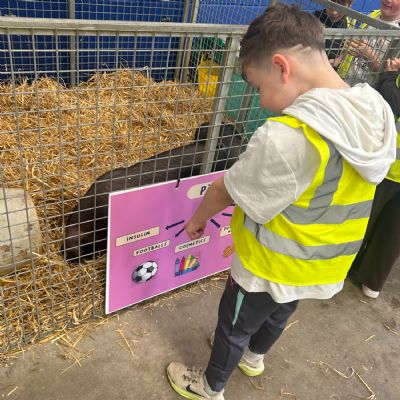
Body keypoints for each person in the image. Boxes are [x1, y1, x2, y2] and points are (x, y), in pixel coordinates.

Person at [166, 5, 396, 400]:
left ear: (281, 67)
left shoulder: (289, 136)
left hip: (268, 265)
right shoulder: (375, 111)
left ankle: (209, 386)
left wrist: (197, 218)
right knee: (279, 313)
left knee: (232, 325)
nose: (261, 101)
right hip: (320, 264)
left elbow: (225, 189)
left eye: (258, 86)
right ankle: (253, 357)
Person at [350, 57, 400, 298]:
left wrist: (389, 77)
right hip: (390, 167)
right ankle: (372, 279)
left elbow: (391, 105)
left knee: (363, 218)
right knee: (393, 231)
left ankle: (346, 265)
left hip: (389, 167)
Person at [338, 0, 400, 85]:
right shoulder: (373, 15)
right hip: (347, 79)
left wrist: (370, 57)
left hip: (370, 89)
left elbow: (390, 77)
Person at [313, 0, 354, 68]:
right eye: (331, 3)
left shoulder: (348, 25)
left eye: (341, 5)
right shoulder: (315, 18)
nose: (334, 12)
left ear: (349, 6)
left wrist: (338, 60)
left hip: (330, 70)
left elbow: (346, 50)